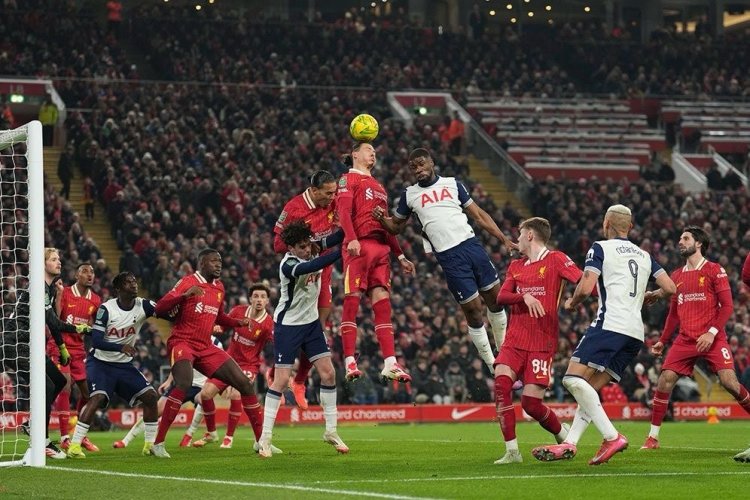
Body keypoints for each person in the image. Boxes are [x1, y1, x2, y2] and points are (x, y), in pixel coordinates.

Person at [530, 205, 676, 465]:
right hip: (634, 334)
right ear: (629, 227)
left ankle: (611, 436)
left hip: (609, 325)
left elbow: (585, 288)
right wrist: (654, 295)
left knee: (572, 380)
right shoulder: (644, 255)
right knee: (589, 390)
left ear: (606, 222)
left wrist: (572, 304)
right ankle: (569, 444)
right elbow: (670, 287)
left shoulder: (600, 248)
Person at [373, 148, 512, 373]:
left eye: (421, 164)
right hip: (449, 256)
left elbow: (478, 215)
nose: (418, 169)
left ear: (431, 162)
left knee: (496, 300)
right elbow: (396, 228)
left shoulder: (453, 184)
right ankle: (492, 364)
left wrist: (504, 239)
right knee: (474, 311)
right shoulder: (409, 195)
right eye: (413, 167)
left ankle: (505, 352)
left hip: (471, 246)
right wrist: (382, 220)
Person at [642, 227, 750, 449]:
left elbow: (728, 306)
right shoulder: (676, 276)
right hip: (685, 339)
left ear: (698, 243)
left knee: (730, 383)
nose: (680, 241)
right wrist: (663, 339)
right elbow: (673, 313)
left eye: (686, 238)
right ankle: (652, 438)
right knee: (665, 380)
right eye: (680, 238)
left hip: (713, 338)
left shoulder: (714, 270)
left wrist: (711, 334)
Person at [150, 248, 262, 458]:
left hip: (205, 346)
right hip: (182, 342)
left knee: (245, 384)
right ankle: (158, 443)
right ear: (202, 263)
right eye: (213, 261)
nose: (218, 264)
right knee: (183, 383)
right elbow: (161, 307)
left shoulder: (219, 288)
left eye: (220, 261)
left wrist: (238, 322)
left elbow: (219, 317)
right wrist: (184, 295)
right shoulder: (188, 281)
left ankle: (261, 442)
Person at [493, 217, 583, 464]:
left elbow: (584, 282)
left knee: (531, 405)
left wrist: (577, 300)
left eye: (520, 233)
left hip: (542, 342)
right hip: (514, 339)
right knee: (501, 385)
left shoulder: (556, 259)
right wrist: (525, 296)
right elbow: (502, 296)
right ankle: (512, 452)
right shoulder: (516, 266)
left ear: (530, 235)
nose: (517, 238)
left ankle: (561, 433)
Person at [259, 220, 347, 457]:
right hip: (288, 326)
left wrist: (353, 228)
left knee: (329, 373)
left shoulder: (312, 248)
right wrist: (343, 251)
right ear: (291, 248)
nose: (307, 250)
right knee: (281, 380)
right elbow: (316, 264)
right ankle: (265, 438)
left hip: (310, 324)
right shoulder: (289, 264)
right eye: (301, 247)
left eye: (308, 245)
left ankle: (331, 431)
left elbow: (336, 237)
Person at [336, 142, 415, 382]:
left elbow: (387, 223)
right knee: (353, 302)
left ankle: (390, 362)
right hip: (358, 246)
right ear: (355, 154)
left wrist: (399, 254)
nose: (373, 153)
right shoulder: (347, 179)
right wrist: (351, 238)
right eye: (368, 149)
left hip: (381, 249)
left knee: (383, 305)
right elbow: (343, 211)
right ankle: (349, 361)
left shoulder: (379, 186)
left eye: (374, 151)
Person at [66, 272, 159, 459]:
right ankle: (74, 446)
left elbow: (165, 310)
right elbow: (97, 341)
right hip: (100, 363)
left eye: (134, 280)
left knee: (151, 397)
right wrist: (120, 346)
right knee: (97, 398)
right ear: (118, 289)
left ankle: (150, 445)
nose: (133, 284)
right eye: (128, 282)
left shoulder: (144, 305)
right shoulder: (106, 309)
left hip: (124, 366)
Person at [272, 170, 338, 409]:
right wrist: (305, 246)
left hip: (324, 271)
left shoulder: (334, 200)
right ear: (314, 190)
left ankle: (299, 382)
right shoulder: (295, 209)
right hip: (304, 270)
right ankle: (277, 376)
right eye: (328, 193)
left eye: (334, 192)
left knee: (319, 328)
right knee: (295, 327)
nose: (332, 197)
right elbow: (278, 243)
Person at [193, 284, 275, 451]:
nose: (259, 300)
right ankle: (211, 433)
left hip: (249, 365)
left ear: (267, 301)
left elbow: (277, 344)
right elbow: (224, 324)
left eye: (262, 297)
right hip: (228, 362)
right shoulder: (238, 311)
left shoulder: (268, 324)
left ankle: (229, 437)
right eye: (256, 296)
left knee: (237, 393)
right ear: (250, 298)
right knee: (205, 395)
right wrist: (218, 327)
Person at [48, 263, 101, 452]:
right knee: (65, 386)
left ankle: (80, 436)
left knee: (88, 394)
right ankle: (64, 437)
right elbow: (55, 317)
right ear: (76, 275)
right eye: (85, 271)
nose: (89, 274)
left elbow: (94, 326)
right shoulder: (66, 292)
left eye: (92, 271)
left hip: (79, 350)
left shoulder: (95, 300)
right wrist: (60, 295)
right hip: (59, 346)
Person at [113, 368, 208, 450]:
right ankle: (125, 441)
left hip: (201, 387)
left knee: (205, 400)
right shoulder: (187, 346)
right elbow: (177, 363)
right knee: (155, 411)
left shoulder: (217, 346)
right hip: (182, 384)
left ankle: (189, 435)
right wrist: (169, 381)